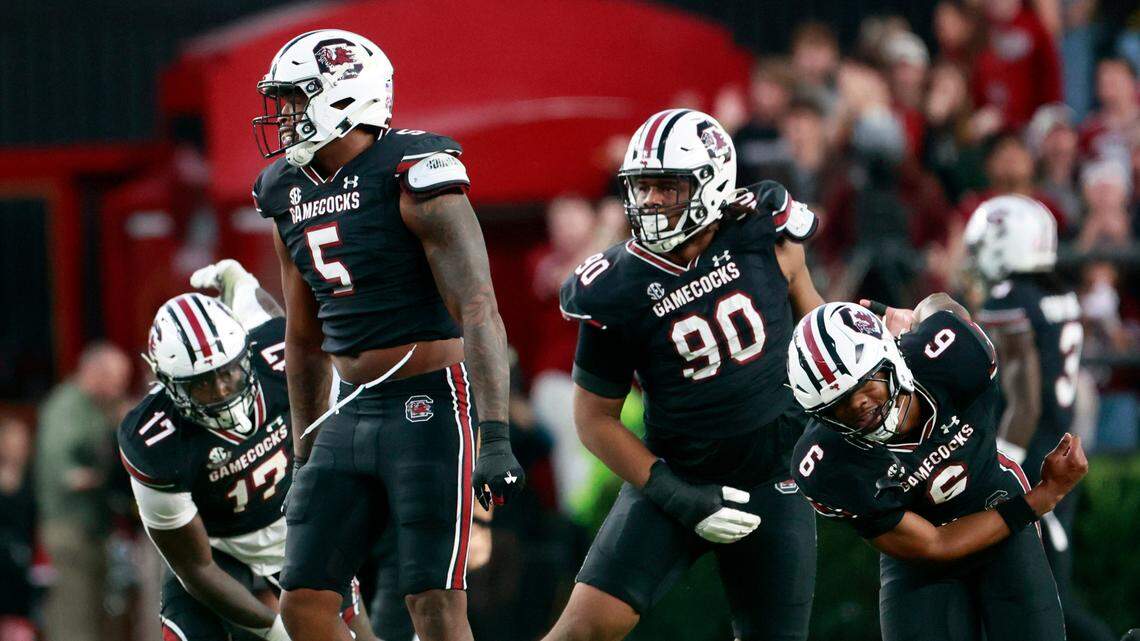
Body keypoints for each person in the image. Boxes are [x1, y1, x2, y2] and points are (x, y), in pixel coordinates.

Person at [250, 29, 523, 641]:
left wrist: (496, 433)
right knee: (303, 604)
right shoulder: (286, 192)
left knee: (432, 600)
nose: (283, 117)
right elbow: (303, 337)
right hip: (350, 408)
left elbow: (479, 308)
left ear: (342, 98)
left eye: (295, 100)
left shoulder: (415, 175)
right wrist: (302, 448)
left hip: (432, 402)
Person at [550, 109, 824, 641]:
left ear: (713, 181)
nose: (650, 201)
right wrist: (676, 494)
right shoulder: (616, 286)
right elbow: (594, 421)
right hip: (676, 477)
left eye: (666, 187)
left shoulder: (765, 235)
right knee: (581, 631)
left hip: (776, 476)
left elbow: (816, 330)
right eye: (642, 187)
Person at [787, 297, 1087, 641]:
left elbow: (943, 310)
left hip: (998, 509)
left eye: (865, 385)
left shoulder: (947, 355)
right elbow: (936, 544)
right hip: (922, 561)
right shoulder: (826, 461)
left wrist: (921, 314)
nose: (858, 405)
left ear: (890, 357)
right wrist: (1042, 498)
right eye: (839, 406)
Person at [118, 260, 376, 641]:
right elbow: (196, 570)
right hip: (218, 551)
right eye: (202, 384)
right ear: (169, 386)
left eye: (228, 372)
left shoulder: (273, 355)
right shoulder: (155, 441)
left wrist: (240, 282)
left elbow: (266, 316)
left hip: (295, 527)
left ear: (247, 354)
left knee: (352, 633)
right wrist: (274, 631)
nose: (222, 391)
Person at [966, 195, 1118, 641]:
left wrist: (998, 467)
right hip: (1058, 454)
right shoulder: (1060, 295)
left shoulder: (1008, 300)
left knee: (1042, 606)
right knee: (1044, 600)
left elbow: (1024, 400)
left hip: (1029, 465)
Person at [35, 340, 131, 641]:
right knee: (75, 622)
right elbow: (65, 473)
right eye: (116, 382)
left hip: (94, 529)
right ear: (94, 373)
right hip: (71, 531)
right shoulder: (66, 408)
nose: (119, 390)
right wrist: (107, 478)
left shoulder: (96, 408)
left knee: (100, 618)